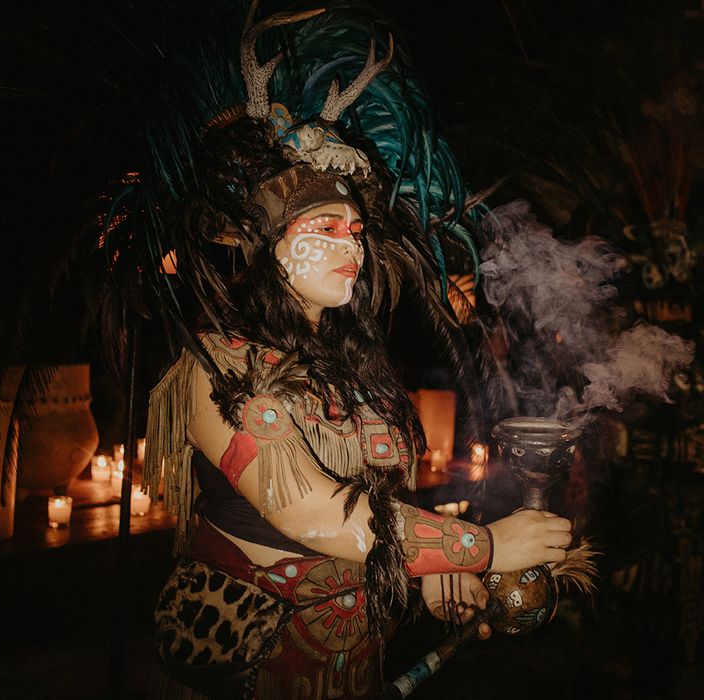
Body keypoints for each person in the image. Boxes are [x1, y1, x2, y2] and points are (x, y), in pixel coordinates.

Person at [138, 3, 572, 699]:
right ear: (261, 241)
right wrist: (480, 547)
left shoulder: (358, 370)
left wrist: (432, 575)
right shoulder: (217, 365)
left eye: (356, 229)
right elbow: (315, 514)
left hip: (354, 661)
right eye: (324, 227)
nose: (352, 246)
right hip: (251, 668)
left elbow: (378, 513)